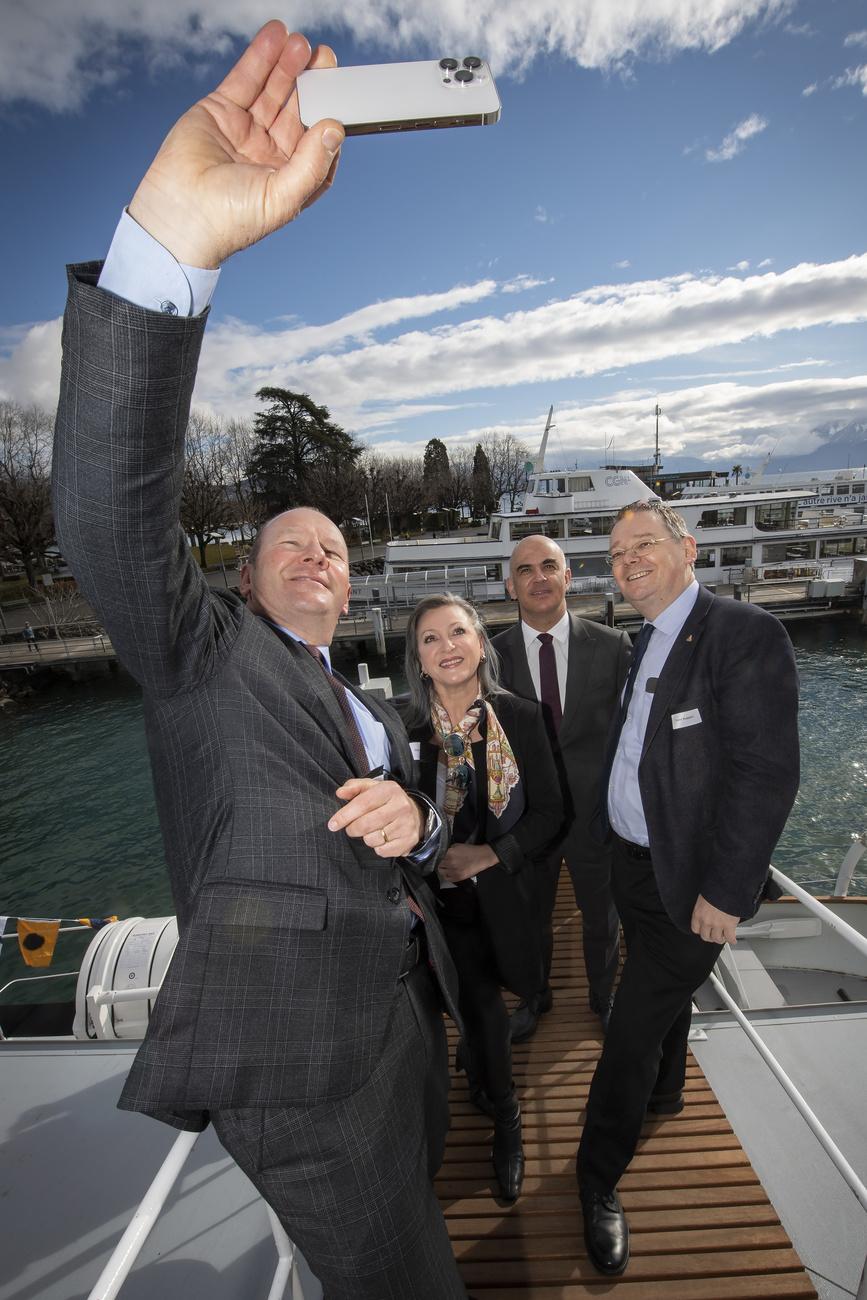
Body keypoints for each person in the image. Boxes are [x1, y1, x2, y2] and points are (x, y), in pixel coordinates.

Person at [52, 25, 470, 1300]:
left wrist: (420, 809)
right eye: (290, 545)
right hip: (302, 1072)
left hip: (409, 1023)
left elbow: (436, 807)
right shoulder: (197, 652)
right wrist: (172, 249)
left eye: (336, 552)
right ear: (243, 577)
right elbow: (112, 516)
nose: (317, 560)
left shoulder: (374, 700)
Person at [575, 499, 800, 1277]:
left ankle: (593, 1179)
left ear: (686, 549)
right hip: (633, 868)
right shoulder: (646, 641)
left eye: (642, 543)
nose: (626, 559)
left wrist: (728, 892)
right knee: (656, 1009)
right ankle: (667, 1096)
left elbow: (764, 774)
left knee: (627, 1030)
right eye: (614, 552)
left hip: (694, 884)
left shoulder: (741, 634)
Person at [401, 594, 563, 1202]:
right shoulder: (405, 730)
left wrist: (489, 856)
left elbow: (551, 813)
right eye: (430, 639)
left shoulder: (520, 717)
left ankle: (500, 1103)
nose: (447, 647)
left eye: (458, 632)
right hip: (435, 905)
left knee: (491, 1004)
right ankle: (498, 1105)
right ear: (418, 659)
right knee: (477, 1007)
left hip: (502, 894)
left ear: (479, 644)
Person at [493, 534, 630, 1040]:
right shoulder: (492, 656)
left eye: (549, 566)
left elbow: (632, 731)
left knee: (602, 918)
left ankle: (604, 996)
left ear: (568, 577)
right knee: (533, 918)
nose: (539, 578)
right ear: (512, 586)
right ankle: (535, 997)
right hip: (530, 818)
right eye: (526, 570)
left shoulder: (614, 647)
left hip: (596, 814)